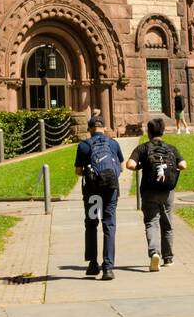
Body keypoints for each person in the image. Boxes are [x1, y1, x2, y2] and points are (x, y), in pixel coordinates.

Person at [125, 118, 187, 271]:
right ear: (163, 131)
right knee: (167, 224)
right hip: (167, 191)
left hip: (149, 191)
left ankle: (154, 253)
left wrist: (140, 166)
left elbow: (130, 164)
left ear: (149, 132)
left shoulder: (143, 148)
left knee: (151, 222)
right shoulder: (171, 148)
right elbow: (183, 165)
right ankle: (168, 258)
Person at [74, 113, 121, 280]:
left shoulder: (84, 146)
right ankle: (108, 268)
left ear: (89, 129)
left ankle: (93, 264)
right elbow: (120, 168)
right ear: (105, 128)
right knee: (109, 225)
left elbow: (79, 171)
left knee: (92, 225)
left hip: (93, 192)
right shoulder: (113, 144)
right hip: (110, 190)